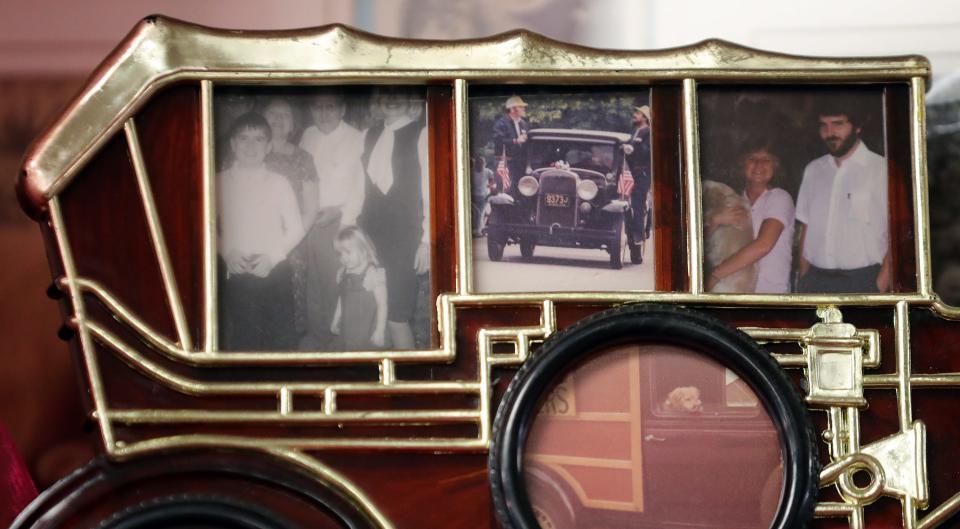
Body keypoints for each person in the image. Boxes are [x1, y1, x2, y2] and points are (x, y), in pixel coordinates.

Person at [217, 112, 305, 350]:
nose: (250, 145)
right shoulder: (217, 182)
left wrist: (273, 257)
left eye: (258, 139)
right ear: (233, 145)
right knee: (245, 338)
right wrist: (226, 253)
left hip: (274, 268)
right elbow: (206, 226)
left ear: (268, 147)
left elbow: (296, 228)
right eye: (243, 138)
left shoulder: (279, 182)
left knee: (280, 340)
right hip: (237, 269)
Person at [359, 87, 430, 349]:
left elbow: (430, 191)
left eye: (399, 92)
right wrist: (349, 228)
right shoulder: (368, 135)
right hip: (369, 234)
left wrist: (426, 240)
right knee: (372, 311)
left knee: (397, 315)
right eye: (385, 93)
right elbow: (359, 187)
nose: (391, 98)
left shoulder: (422, 135)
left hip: (404, 238)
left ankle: (411, 384)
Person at [795, 98, 890, 293]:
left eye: (838, 124)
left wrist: (878, 285)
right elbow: (807, 226)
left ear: (857, 126)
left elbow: (899, 235)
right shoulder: (814, 170)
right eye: (823, 125)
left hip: (863, 281)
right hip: (815, 280)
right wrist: (803, 276)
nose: (829, 133)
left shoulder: (882, 170)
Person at [298, 90, 366, 349]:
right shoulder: (308, 135)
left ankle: (338, 340)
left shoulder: (356, 139)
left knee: (334, 281)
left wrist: (341, 215)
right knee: (312, 282)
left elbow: (360, 187)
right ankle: (318, 336)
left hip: (338, 223)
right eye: (318, 107)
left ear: (342, 109)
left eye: (330, 107)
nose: (323, 113)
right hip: (307, 222)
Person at [260, 97, 319, 336]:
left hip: (292, 241)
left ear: (293, 124)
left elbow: (311, 208)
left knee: (290, 303)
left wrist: (287, 244)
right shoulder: (249, 153)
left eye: (285, 115)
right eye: (273, 113)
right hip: (254, 238)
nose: (278, 119)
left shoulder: (303, 158)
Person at [705, 141, 795, 293]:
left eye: (766, 159)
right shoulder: (731, 200)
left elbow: (763, 245)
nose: (759, 164)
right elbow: (706, 247)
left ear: (776, 165)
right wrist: (715, 221)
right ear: (742, 164)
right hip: (732, 291)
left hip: (769, 293)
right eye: (752, 158)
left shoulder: (779, 198)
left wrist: (714, 276)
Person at [330, 227, 387, 350]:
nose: (343, 258)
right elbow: (342, 298)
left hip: (367, 326)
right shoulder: (343, 272)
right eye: (340, 253)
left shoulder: (372, 273)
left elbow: (382, 304)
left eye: (348, 252)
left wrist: (380, 331)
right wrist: (336, 318)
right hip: (348, 326)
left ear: (363, 251)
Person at [626, 104, 653, 258]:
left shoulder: (648, 132)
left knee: (638, 202)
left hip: (642, 172)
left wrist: (634, 147)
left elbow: (647, 151)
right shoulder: (635, 131)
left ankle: (639, 234)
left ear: (644, 117)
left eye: (638, 113)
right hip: (632, 171)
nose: (635, 115)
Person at [491, 95, 530, 194]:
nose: (523, 108)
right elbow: (498, 140)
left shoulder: (524, 124)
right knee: (507, 191)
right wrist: (515, 141)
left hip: (521, 164)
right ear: (512, 109)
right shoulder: (501, 124)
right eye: (521, 107)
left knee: (521, 191)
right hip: (506, 164)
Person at [471, 156, 493, 236]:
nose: (480, 165)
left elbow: (493, 180)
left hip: (484, 195)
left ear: (485, 164)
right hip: (474, 196)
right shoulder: (471, 171)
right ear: (475, 164)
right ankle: (478, 229)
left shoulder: (488, 172)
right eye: (478, 163)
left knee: (480, 213)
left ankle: (479, 231)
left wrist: (490, 186)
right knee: (477, 213)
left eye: (482, 163)